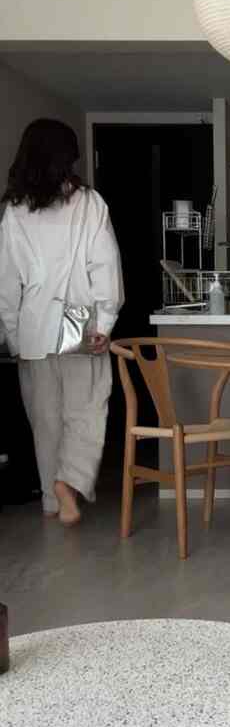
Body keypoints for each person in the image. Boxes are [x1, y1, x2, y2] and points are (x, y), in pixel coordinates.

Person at [0, 119, 124, 525]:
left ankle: (54, 503)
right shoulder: (88, 203)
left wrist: (14, 336)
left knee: (45, 418)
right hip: (79, 320)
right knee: (88, 407)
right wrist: (104, 322)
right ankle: (67, 483)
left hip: (34, 323)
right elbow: (104, 265)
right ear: (67, 156)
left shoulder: (15, 210)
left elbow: (7, 281)